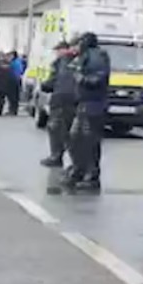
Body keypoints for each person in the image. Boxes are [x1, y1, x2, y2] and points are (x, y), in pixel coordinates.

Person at [65, 32, 110, 191]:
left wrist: (80, 78)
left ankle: (91, 174)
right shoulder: (86, 56)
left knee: (89, 140)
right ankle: (79, 169)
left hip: (93, 104)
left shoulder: (97, 57)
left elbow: (97, 79)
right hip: (85, 103)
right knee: (76, 137)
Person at [39, 41, 80, 194]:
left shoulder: (70, 62)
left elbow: (62, 81)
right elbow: (54, 80)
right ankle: (56, 155)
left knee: (62, 130)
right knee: (55, 128)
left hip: (66, 100)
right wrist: (46, 85)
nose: (58, 52)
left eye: (60, 50)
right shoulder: (61, 62)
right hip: (59, 99)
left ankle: (61, 157)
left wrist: (48, 85)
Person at [7, 49, 25, 115]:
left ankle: (12, 110)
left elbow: (15, 72)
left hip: (14, 81)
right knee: (14, 97)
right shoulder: (18, 62)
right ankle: (13, 110)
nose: (9, 57)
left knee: (13, 97)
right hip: (17, 80)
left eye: (10, 55)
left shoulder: (15, 63)